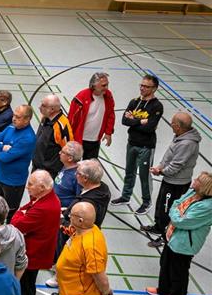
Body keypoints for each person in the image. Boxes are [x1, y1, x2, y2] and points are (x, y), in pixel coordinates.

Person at [44, 159, 111, 295]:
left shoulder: (89, 203)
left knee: (73, 272)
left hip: (75, 239)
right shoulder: (100, 189)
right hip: (73, 236)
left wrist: (62, 220)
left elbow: (80, 225)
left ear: (86, 178)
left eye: (78, 173)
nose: (75, 175)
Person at [146, 172, 212, 295]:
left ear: (205, 187)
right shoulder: (193, 193)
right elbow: (176, 203)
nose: (194, 180)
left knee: (179, 273)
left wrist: (175, 213)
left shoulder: (207, 207)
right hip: (172, 236)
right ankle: (163, 290)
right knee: (165, 263)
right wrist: (176, 211)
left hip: (184, 244)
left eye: (198, 180)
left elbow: (181, 221)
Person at [11, 171, 61, 295]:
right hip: (32, 251)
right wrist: (22, 212)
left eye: (31, 184)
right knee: (24, 286)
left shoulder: (44, 207)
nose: (27, 186)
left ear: (42, 187)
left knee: (26, 289)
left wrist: (20, 214)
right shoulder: (45, 197)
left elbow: (16, 223)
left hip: (33, 255)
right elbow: (25, 209)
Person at [142, 112, 201, 247]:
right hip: (170, 180)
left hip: (177, 183)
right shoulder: (180, 136)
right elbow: (169, 157)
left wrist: (161, 171)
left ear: (179, 126)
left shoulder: (187, 143)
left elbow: (176, 165)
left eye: (173, 123)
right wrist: (160, 167)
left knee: (169, 210)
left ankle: (165, 236)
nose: (171, 125)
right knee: (161, 206)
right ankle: (158, 227)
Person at [112, 74, 164, 215]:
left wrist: (133, 120)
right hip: (132, 143)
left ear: (154, 89)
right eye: (141, 85)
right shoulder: (134, 102)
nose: (142, 88)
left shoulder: (157, 106)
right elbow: (124, 120)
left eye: (146, 86)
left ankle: (146, 202)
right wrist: (140, 121)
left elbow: (149, 127)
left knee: (144, 176)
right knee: (129, 171)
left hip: (146, 146)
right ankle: (125, 196)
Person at [0, 104, 36, 222]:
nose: (14, 119)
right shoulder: (11, 127)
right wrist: (2, 147)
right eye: (14, 115)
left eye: (18, 117)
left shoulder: (28, 138)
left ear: (27, 120)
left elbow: (6, 158)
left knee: (10, 213)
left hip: (13, 183)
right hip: (0, 177)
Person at [68, 72, 116, 160]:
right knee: (73, 166)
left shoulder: (108, 96)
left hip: (95, 141)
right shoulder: (81, 98)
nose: (106, 88)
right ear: (94, 85)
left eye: (107, 85)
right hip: (78, 139)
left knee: (89, 169)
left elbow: (110, 114)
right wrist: (69, 137)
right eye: (103, 85)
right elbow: (72, 119)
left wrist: (108, 132)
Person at [32, 94, 75, 180]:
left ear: (52, 109)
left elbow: (69, 151)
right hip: (37, 167)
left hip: (49, 172)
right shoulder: (46, 117)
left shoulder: (61, 126)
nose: (39, 107)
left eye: (43, 105)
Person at [54, 141, 83, 208]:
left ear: (70, 158)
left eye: (63, 152)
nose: (59, 153)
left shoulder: (77, 176)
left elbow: (79, 198)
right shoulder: (65, 166)